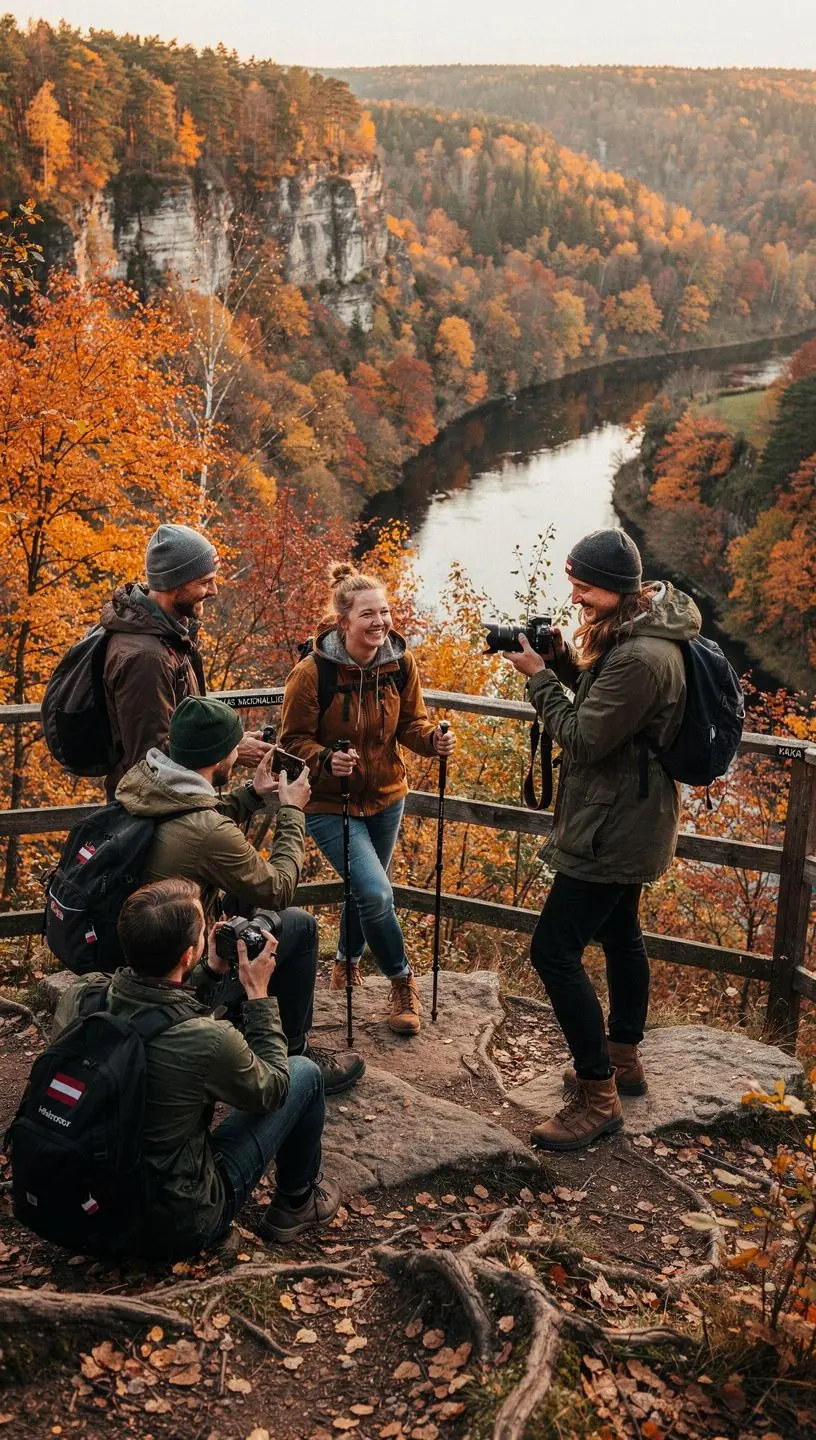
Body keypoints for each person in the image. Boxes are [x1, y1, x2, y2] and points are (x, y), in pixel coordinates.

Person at [506, 528, 701, 1152]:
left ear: (618, 588)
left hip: (613, 827)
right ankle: (622, 1060)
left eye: (584, 588)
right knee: (620, 935)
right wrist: (564, 660)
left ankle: (598, 1097)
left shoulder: (642, 657)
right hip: (628, 816)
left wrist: (540, 678)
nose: (575, 598)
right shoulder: (638, 632)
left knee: (553, 951)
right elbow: (607, 703)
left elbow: (585, 738)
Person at [51, 878, 341, 1257]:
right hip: (175, 1221)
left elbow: (150, 1002)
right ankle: (297, 1201)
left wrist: (213, 970)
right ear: (189, 954)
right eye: (204, 930)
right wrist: (258, 994)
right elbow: (273, 1089)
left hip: (83, 1196)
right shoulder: (207, 1039)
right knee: (304, 1072)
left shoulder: (82, 995)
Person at [115, 694, 365, 1094]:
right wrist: (291, 811)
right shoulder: (210, 833)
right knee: (298, 925)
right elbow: (278, 888)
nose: (240, 751)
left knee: (244, 899)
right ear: (218, 758)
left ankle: (239, 1020)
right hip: (182, 975)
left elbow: (191, 819)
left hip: (138, 953)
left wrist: (251, 794)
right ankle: (294, 1054)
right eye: (235, 746)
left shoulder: (144, 782)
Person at [279, 563, 456, 1037]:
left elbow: (412, 724)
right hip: (327, 803)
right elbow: (290, 742)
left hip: (386, 797)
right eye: (368, 614)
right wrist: (324, 759)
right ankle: (402, 980)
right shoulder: (312, 673)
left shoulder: (400, 663)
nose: (380, 622)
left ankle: (345, 961)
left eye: (385, 612)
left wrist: (432, 741)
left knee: (365, 890)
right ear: (344, 622)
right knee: (377, 893)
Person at [102, 522, 271, 797]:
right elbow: (151, 760)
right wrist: (230, 752)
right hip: (153, 808)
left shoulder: (168, 635)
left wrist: (229, 741)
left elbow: (181, 732)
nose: (214, 590)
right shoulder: (147, 658)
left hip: (172, 802)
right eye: (204, 582)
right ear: (173, 584)